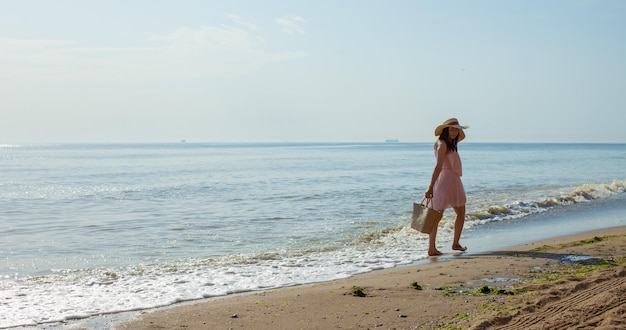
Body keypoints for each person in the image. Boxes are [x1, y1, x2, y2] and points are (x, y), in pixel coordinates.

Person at [425, 118, 469, 256]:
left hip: (450, 180)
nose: (454, 132)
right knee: (438, 215)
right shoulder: (443, 144)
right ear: (445, 130)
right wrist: (430, 186)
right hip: (446, 181)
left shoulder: (447, 143)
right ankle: (434, 247)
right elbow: (438, 166)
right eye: (451, 129)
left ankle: (451, 244)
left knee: (455, 213)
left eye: (456, 129)